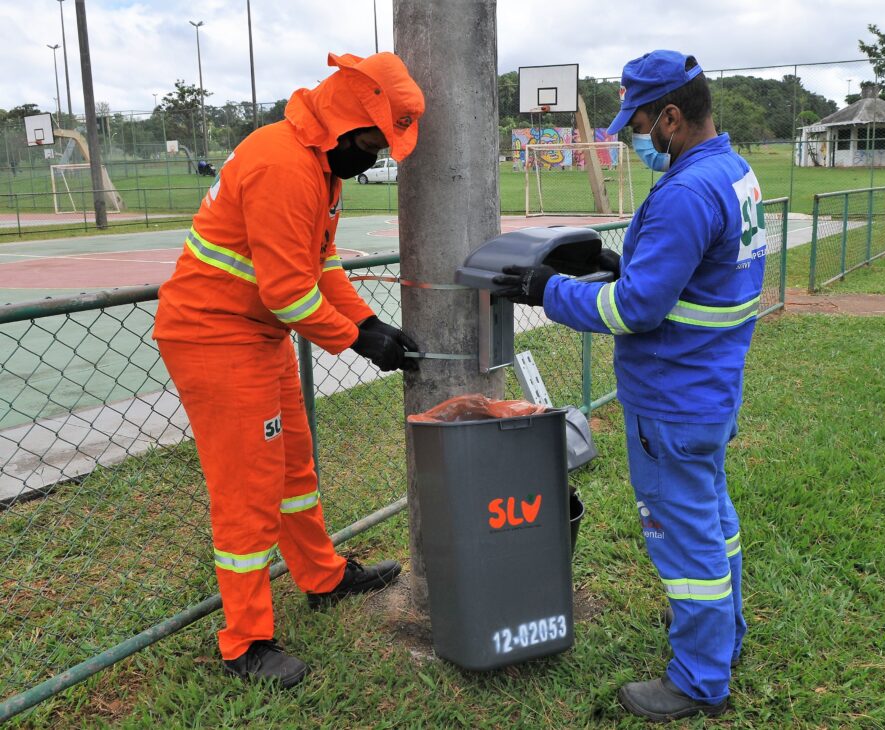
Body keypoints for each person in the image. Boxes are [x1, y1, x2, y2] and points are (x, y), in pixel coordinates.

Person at [493, 50, 767, 721]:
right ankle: (724, 639)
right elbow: (697, 274)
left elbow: (635, 311)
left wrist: (546, 290)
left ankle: (700, 678)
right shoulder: (732, 173)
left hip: (670, 396)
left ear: (671, 116)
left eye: (638, 123)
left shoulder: (684, 192)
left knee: (686, 539)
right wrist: (626, 261)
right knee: (714, 519)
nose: (628, 136)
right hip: (710, 385)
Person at [153, 51, 425, 688]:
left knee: (294, 465)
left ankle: (322, 576)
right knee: (247, 490)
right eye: (372, 141)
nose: (376, 156)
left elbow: (322, 266)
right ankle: (245, 641)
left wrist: (369, 324)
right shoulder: (283, 166)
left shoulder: (319, 167)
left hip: (256, 336)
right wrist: (356, 342)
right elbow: (286, 292)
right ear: (342, 123)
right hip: (214, 339)